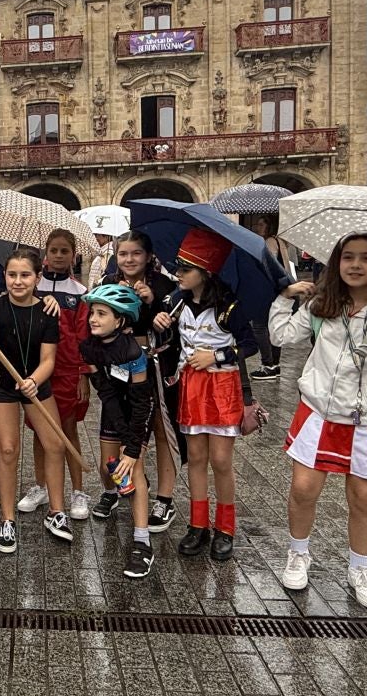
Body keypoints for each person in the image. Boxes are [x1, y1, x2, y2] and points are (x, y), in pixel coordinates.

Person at [269, 231, 367, 610]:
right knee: (303, 489)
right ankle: (298, 553)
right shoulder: (323, 305)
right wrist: (283, 297)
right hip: (320, 412)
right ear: (337, 263)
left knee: (363, 498)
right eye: (348, 257)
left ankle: (360, 569)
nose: (356, 265)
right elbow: (280, 335)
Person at [153, 228, 257, 561]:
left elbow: (250, 344)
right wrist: (158, 320)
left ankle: (225, 527)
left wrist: (217, 356)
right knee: (195, 458)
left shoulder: (229, 306)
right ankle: (198, 525)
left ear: (206, 271)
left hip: (222, 387)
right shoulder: (176, 300)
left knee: (221, 461)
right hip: (191, 386)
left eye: (186, 269)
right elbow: (164, 332)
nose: (178, 274)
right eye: (178, 267)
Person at [0, 248, 71, 552]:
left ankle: (56, 512)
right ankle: (8, 519)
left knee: (54, 444)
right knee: (9, 449)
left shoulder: (48, 311)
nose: (17, 281)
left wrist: (33, 381)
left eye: (25, 275)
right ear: (5, 276)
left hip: (35, 382)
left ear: (37, 277)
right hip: (1, 384)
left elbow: (49, 360)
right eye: (12, 275)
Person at [99, 231, 181, 535]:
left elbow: (175, 331)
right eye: (123, 254)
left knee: (160, 428)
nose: (129, 259)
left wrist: (152, 303)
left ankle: (164, 498)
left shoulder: (165, 287)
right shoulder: (108, 284)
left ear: (147, 256)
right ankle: (121, 489)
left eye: (136, 253)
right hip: (119, 367)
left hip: (155, 366)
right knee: (121, 429)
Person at [80, 284, 157, 577]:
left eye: (102, 313)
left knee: (132, 470)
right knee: (108, 467)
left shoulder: (133, 352)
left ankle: (142, 542)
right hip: (114, 410)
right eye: (92, 313)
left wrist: (133, 446)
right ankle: (112, 493)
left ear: (121, 320)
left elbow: (142, 401)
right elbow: (106, 393)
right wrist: (120, 435)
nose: (93, 319)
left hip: (139, 411)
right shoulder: (88, 347)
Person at [18, 230, 90, 520]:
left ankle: (78, 491)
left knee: (69, 429)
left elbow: (85, 336)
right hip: (37, 369)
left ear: (73, 255)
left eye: (64, 251)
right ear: (45, 253)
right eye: (54, 250)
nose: (59, 256)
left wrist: (84, 374)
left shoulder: (80, 293)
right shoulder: (32, 286)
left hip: (68, 370)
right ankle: (40, 486)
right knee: (39, 431)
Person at [250, 216, 292, 381]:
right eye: (257, 224)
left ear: (269, 226)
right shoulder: (280, 241)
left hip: (268, 290)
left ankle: (267, 365)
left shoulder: (269, 242)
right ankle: (275, 364)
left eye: (261, 224)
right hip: (279, 290)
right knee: (273, 326)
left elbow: (269, 266)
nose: (257, 227)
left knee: (259, 326)